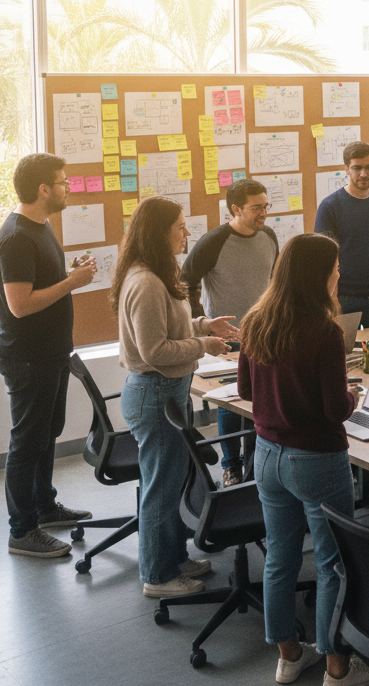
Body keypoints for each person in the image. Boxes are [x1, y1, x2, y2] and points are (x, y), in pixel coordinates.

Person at [237, 233, 369, 686]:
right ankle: (337, 668)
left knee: (280, 558)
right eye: (335, 267)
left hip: (267, 456)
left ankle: (288, 655)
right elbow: (334, 410)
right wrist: (354, 396)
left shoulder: (256, 320)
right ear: (318, 275)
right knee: (331, 563)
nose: (339, 274)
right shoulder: (325, 330)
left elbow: (245, 391)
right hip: (316, 459)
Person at [113, 196, 237, 598]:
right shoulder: (146, 281)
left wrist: (202, 323)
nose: (187, 233)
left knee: (171, 479)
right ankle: (158, 576)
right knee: (161, 488)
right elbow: (155, 351)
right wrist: (204, 345)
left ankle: (174, 558)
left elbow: (171, 326)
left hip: (168, 390)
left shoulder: (156, 272)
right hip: (155, 392)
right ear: (158, 232)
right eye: (180, 227)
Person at [1, 153, 96, 558]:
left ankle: (44, 506)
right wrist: (72, 282)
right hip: (28, 357)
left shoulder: (41, 227)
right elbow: (20, 304)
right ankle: (22, 531)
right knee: (27, 443)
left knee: (46, 435)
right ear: (43, 189)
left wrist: (67, 274)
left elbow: (42, 284)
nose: (67, 187)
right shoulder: (17, 237)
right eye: (62, 182)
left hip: (52, 352)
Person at [182, 178, 278, 486]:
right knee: (231, 402)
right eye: (256, 207)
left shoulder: (270, 236)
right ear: (235, 209)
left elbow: (274, 280)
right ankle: (231, 465)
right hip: (229, 337)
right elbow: (186, 282)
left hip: (264, 334)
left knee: (260, 401)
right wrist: (202, 321)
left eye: (266, 205)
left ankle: (256, 466)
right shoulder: (214, 241)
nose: (264, 213)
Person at [314, 141, 369, 332]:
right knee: (344, 354)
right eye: (357, 168)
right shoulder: (330, 206)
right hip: (344, 297)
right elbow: (324, 258)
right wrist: (333, 297)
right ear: (346, 169)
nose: (364, 174)